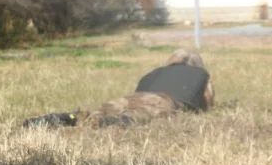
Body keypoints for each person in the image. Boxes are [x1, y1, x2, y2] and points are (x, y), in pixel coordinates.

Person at [22, 50, 214, 129]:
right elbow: (205, 102)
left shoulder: (155, 72)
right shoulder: (199, 75)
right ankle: (110, 123)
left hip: (134, 96)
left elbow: (140, 87)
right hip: (162, 101)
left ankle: (67, 118)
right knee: (135, 117)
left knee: (102, 109)